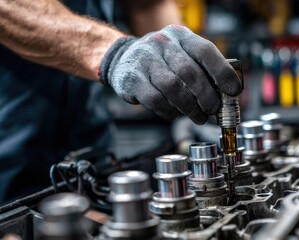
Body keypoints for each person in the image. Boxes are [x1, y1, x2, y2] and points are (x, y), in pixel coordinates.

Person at [0, 0, 241, 204]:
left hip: (89, 147)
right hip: (10, 149)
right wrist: (112, 52)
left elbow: (147, 6)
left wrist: (188, 80)